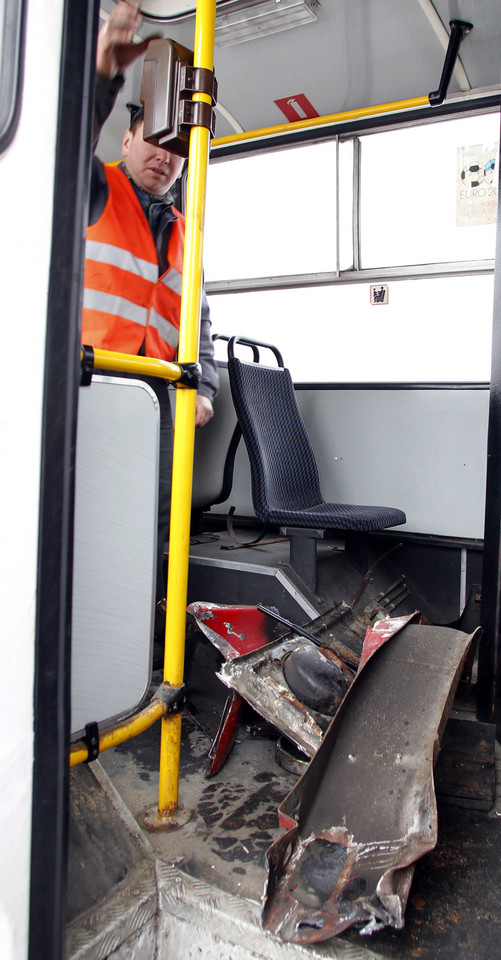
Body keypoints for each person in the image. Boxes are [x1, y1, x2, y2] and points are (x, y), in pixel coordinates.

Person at [83, 1, 219, 623]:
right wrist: (103, 77)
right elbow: (61, 142)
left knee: (156, 532)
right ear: (128, 136)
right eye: (153, 141)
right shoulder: (95, 190)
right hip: (94, 389)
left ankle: (143, 648)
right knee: (91, 528)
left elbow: (201, 321)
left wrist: (207, 388)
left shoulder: (187, 234)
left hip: (161, 402)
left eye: (177, 151)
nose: (164, 157)